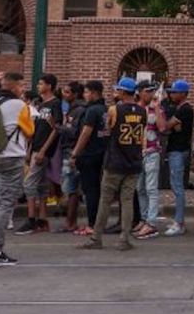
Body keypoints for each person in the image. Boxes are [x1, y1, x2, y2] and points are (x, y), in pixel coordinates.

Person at [76, 78, 144, 251]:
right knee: (127, 200)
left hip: (115, 160)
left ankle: (96, 237)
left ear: (122, 92)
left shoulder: (115, 110)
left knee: (105, 200)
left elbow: (107, 129)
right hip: (134, 159)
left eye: (117, 90)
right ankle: (124, 239)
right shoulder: (142, 111)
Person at [0, 72, 34, 267]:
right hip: (11, 156)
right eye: (21, 86)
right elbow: (30, 132)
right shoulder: (20, 106)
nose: (23, 90)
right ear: (13, 87)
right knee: (5, 203)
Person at [17, 74, 60, 235]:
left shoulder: (54, 104)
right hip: (35, 147)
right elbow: (35, 130)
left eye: (41, 83)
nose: (38, 86)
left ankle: (31, 219)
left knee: (28, 184)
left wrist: (43, 150)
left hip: (43, 150)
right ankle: (42, 219)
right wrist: (29, 150)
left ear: (49, 86)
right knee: (41, 186)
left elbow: (55, 129)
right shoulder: (41, 105)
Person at [70, 81, 108, 236]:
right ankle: (98, 222)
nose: (84, 95)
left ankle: (92, 224)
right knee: (97, 190)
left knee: (90, 190)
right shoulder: (105, 109)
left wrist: (75, 153)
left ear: (94, 93)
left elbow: (85, 133)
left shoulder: (92, 110)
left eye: (86, 92)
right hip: (101, 153)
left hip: (89, 155)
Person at [133, 81, 167, 240]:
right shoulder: (135, 108)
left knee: (151, 188)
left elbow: (162, 128)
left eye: (152, 91)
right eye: (147, 91)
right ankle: (144, 218)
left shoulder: (156, 108)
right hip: (138, 152)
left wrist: (158, 108)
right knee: (140, 187)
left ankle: (151, 223)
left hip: (152, 151)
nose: (150, 94)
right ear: (140, 92)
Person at [164, 79, 194, 236]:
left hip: (179, 150)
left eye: (175, 92)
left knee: (178, 187)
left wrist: (170, 124)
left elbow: (166, 127)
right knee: (176, 186)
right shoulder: (179, 108)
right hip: (176, 149)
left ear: (183, 93)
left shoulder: (185, 109)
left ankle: (179, 222)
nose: (172, 94)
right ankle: (178, 219)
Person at [58, 81, 86, 234]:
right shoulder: (72, 109)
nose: (64, 95)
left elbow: (75, 132)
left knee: (71, 188)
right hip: (69, 149)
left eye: (68, 92)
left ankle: (71, 222)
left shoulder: (78, 110)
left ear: (76, 94)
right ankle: (70, 221)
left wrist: (58, 127)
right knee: (70, 188)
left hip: (72, 150)